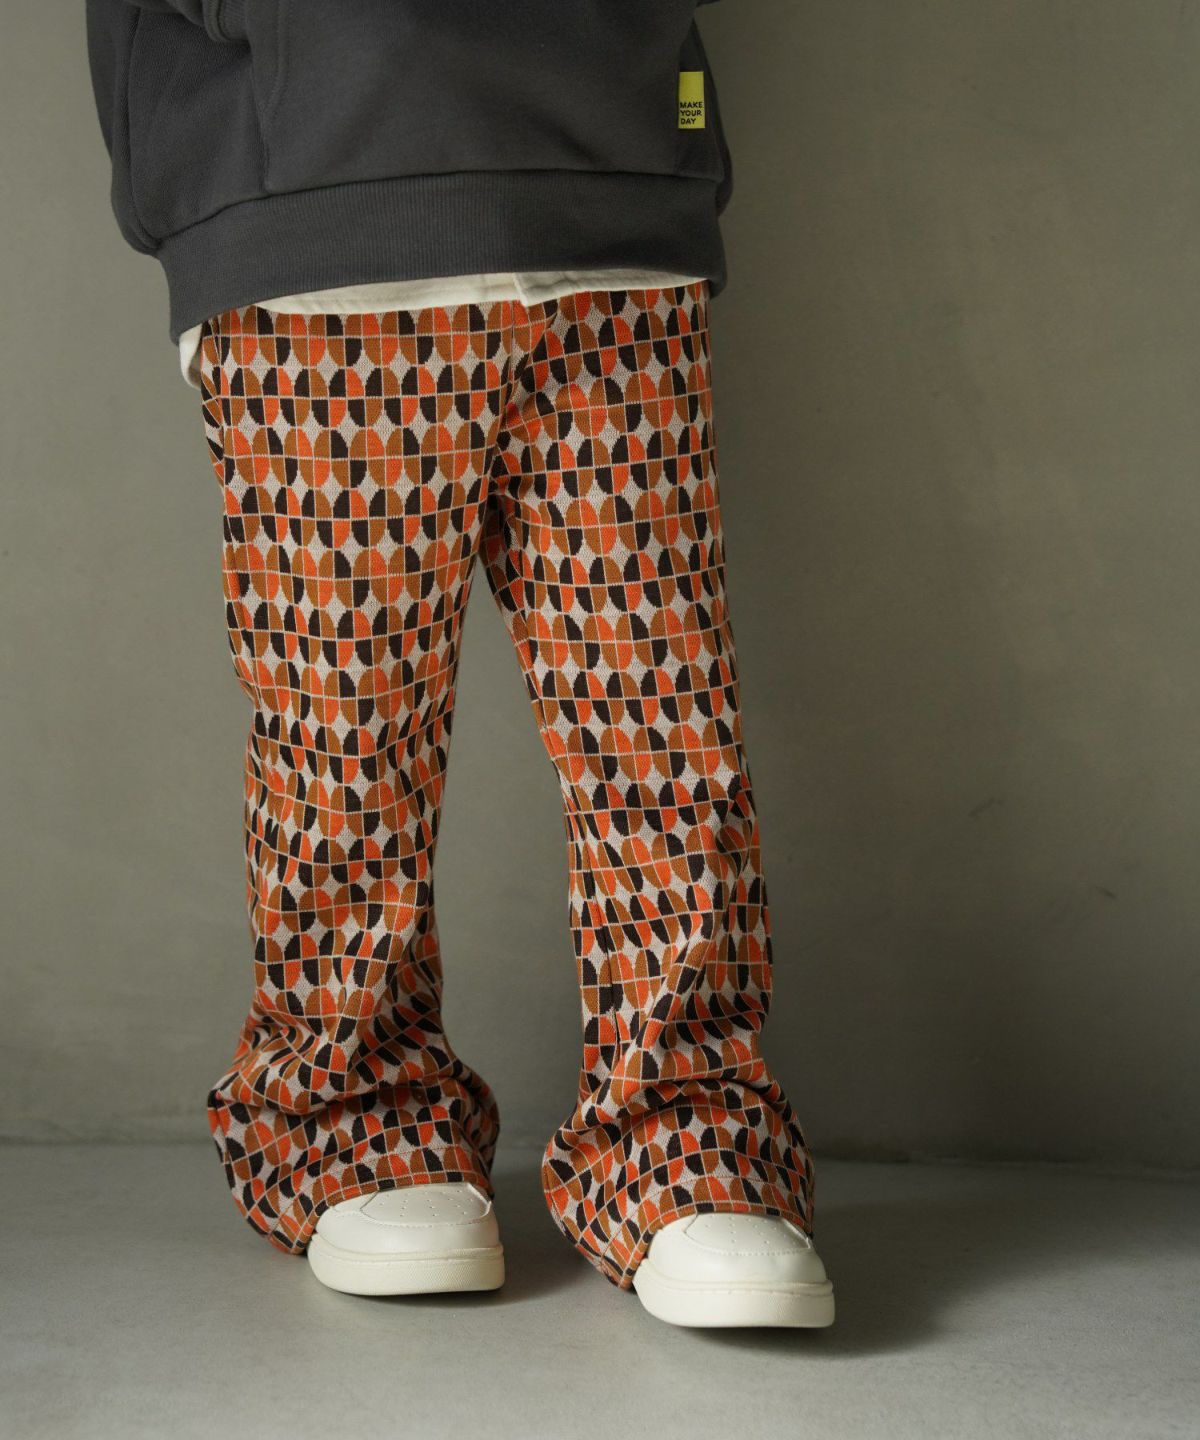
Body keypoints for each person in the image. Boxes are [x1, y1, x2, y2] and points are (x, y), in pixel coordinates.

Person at [85, 0, 834, 1329]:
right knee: (347, 733)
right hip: (315, 200)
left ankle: (685, 1136)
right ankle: (354, 1118)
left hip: (613, 186)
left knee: (662, 726)